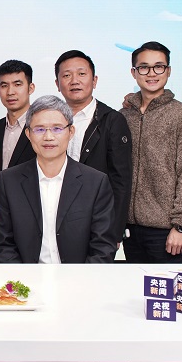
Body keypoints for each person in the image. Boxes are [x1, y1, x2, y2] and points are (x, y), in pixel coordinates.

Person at [0, 96, 116, 264]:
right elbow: (3, 244)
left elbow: (103, 247)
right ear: (28, 134)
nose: (48, 137)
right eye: (40, 129)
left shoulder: (95, 183)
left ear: (71, 132)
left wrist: (80, 279)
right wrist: (24, 278)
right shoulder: (9, 181)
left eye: (57, 129)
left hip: (78, 277)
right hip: (26, 277)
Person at [120, 42, 182, 263]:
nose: (151, 73)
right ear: (134, 72)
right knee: (134, 284)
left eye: (159, 67)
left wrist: (181, 225)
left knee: (166, 286)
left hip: (165, 230)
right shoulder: (124, 116)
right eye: (144, 67)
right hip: (128, 227)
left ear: (168, 71)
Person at [55, 50, 132, 243]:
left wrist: (114, 232)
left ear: (94, 80)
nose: (74, 81)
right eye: (67, 75)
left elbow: (121, 181)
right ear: (57, 84)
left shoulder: (112, 120)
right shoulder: (49, 120)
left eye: (81, 74)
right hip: (55, 219)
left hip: (97, 222)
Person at [0, 60, 37, 171]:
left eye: (17, 85)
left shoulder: (43, 128)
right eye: (4, 86)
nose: (10, 92)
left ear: (31, 88)